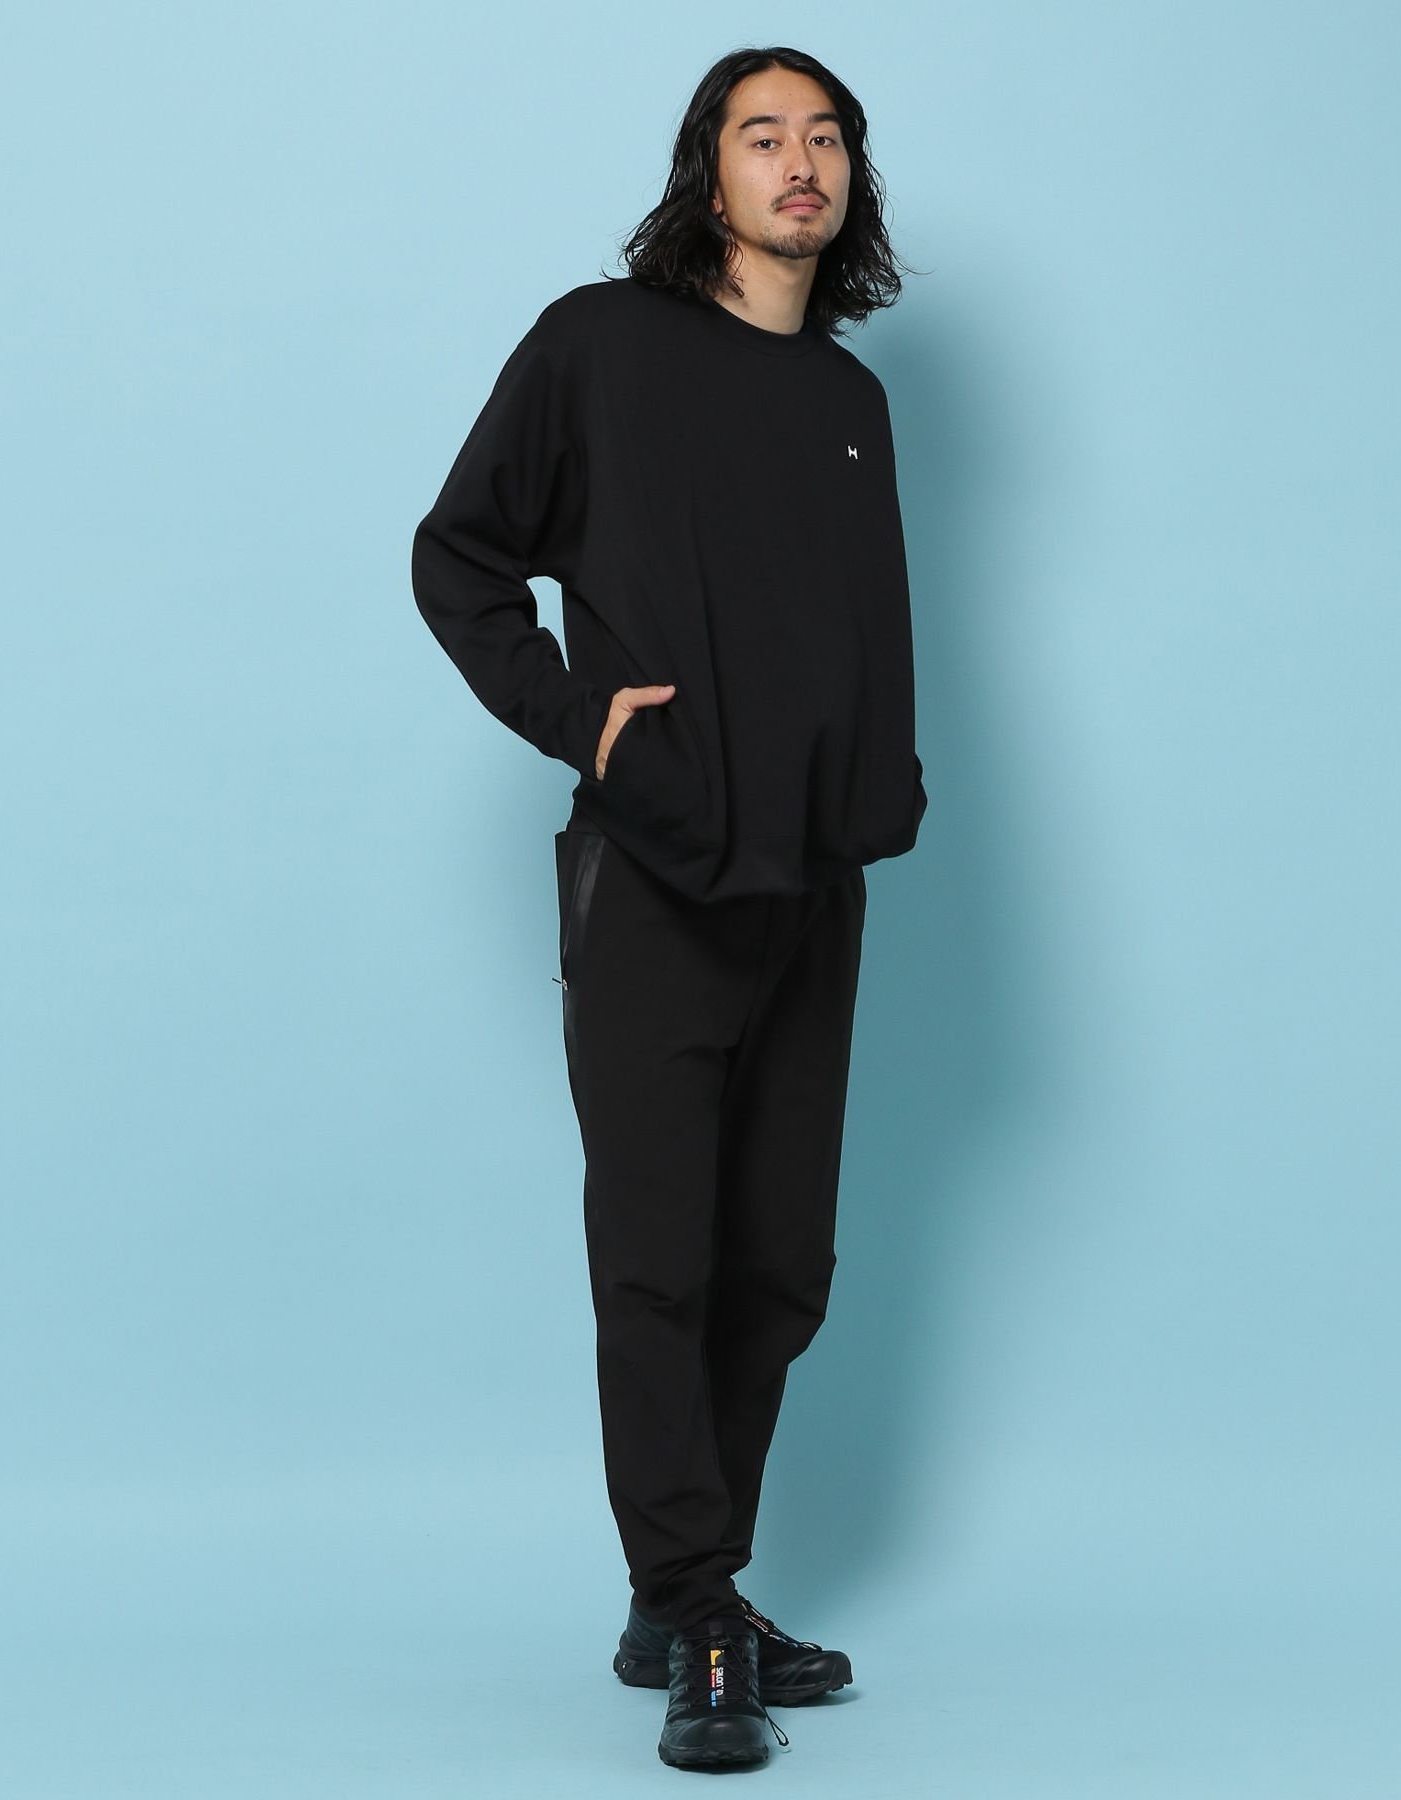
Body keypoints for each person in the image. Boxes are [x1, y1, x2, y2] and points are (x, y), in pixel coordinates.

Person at [410, 45, 927, 1771]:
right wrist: (585, 724)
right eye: (762, 135)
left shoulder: (849, 396)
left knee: (780, 1266)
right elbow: (459, 555)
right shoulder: (602, 346)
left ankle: (682, 1598)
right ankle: (695, 1604)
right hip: (654, 876)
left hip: (814, 884)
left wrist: (880, 786)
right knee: (660, 1261)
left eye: (826, 136)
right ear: (709, 172)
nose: (801, 161)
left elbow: (859, 618)